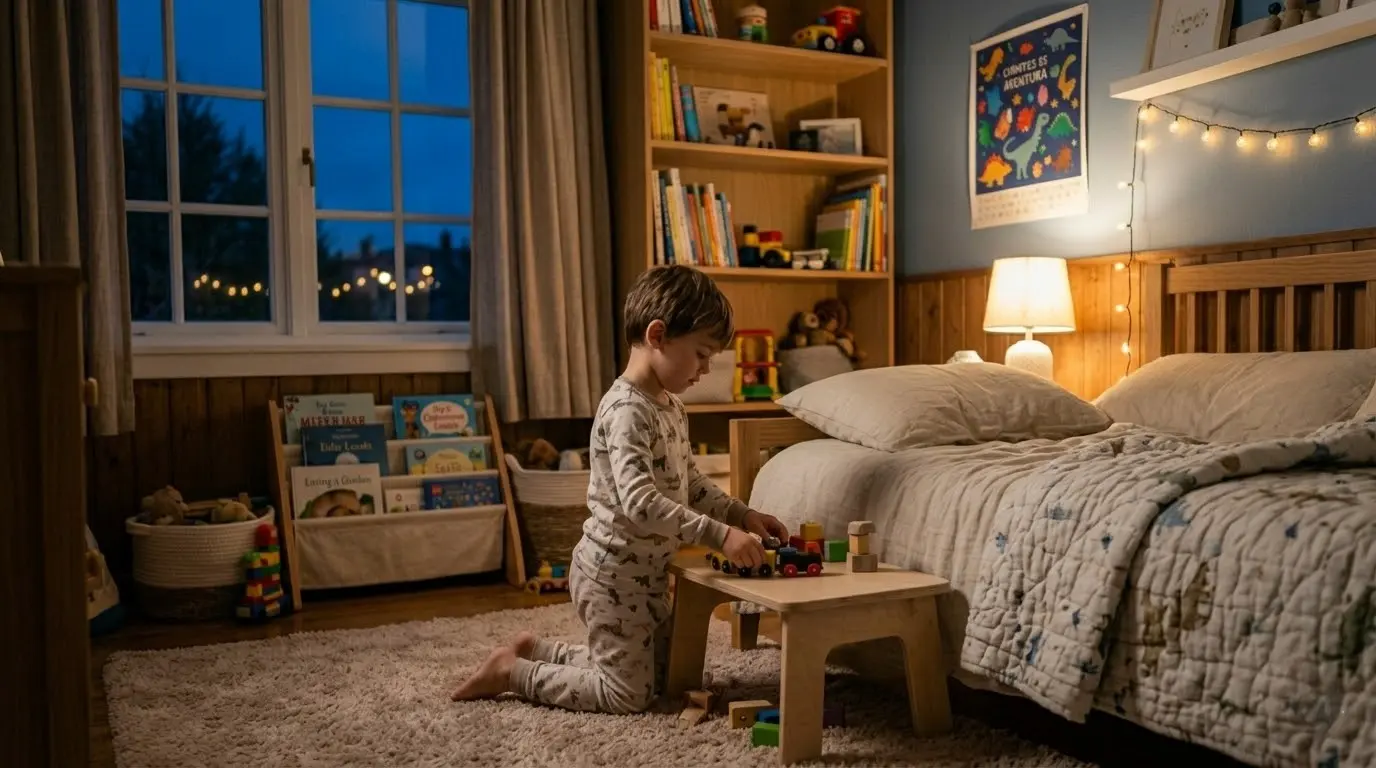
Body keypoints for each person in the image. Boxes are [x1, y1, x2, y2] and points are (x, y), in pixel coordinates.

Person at [450, 264, 789, 712]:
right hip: (611, 576)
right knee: (626, 694)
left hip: (649, 575)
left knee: (669, 675)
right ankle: (512, 672)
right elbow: (640, 503)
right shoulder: (627, 410)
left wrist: (741, 514)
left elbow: (690, 483)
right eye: (702, 354)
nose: (706, 370)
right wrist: (719, 535)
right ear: (657, 335)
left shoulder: (671, 406)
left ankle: (539, 650)